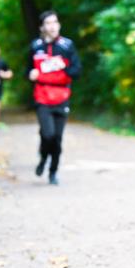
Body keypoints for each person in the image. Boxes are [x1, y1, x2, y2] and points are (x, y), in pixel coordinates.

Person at [27, 10, 81, 185]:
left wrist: (58, 69)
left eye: (55, 22)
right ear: (42, 27)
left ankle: (53, 172)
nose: (52, 26)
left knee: (57, 138)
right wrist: (31, 74)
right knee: (47, 134)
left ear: (59, 25)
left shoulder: (67, 46)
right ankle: (43, 158)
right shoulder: (35, 46)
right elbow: (27, 71)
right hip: (42, 98)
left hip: (61, 96)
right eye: (48, 23)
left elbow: (76, 70)